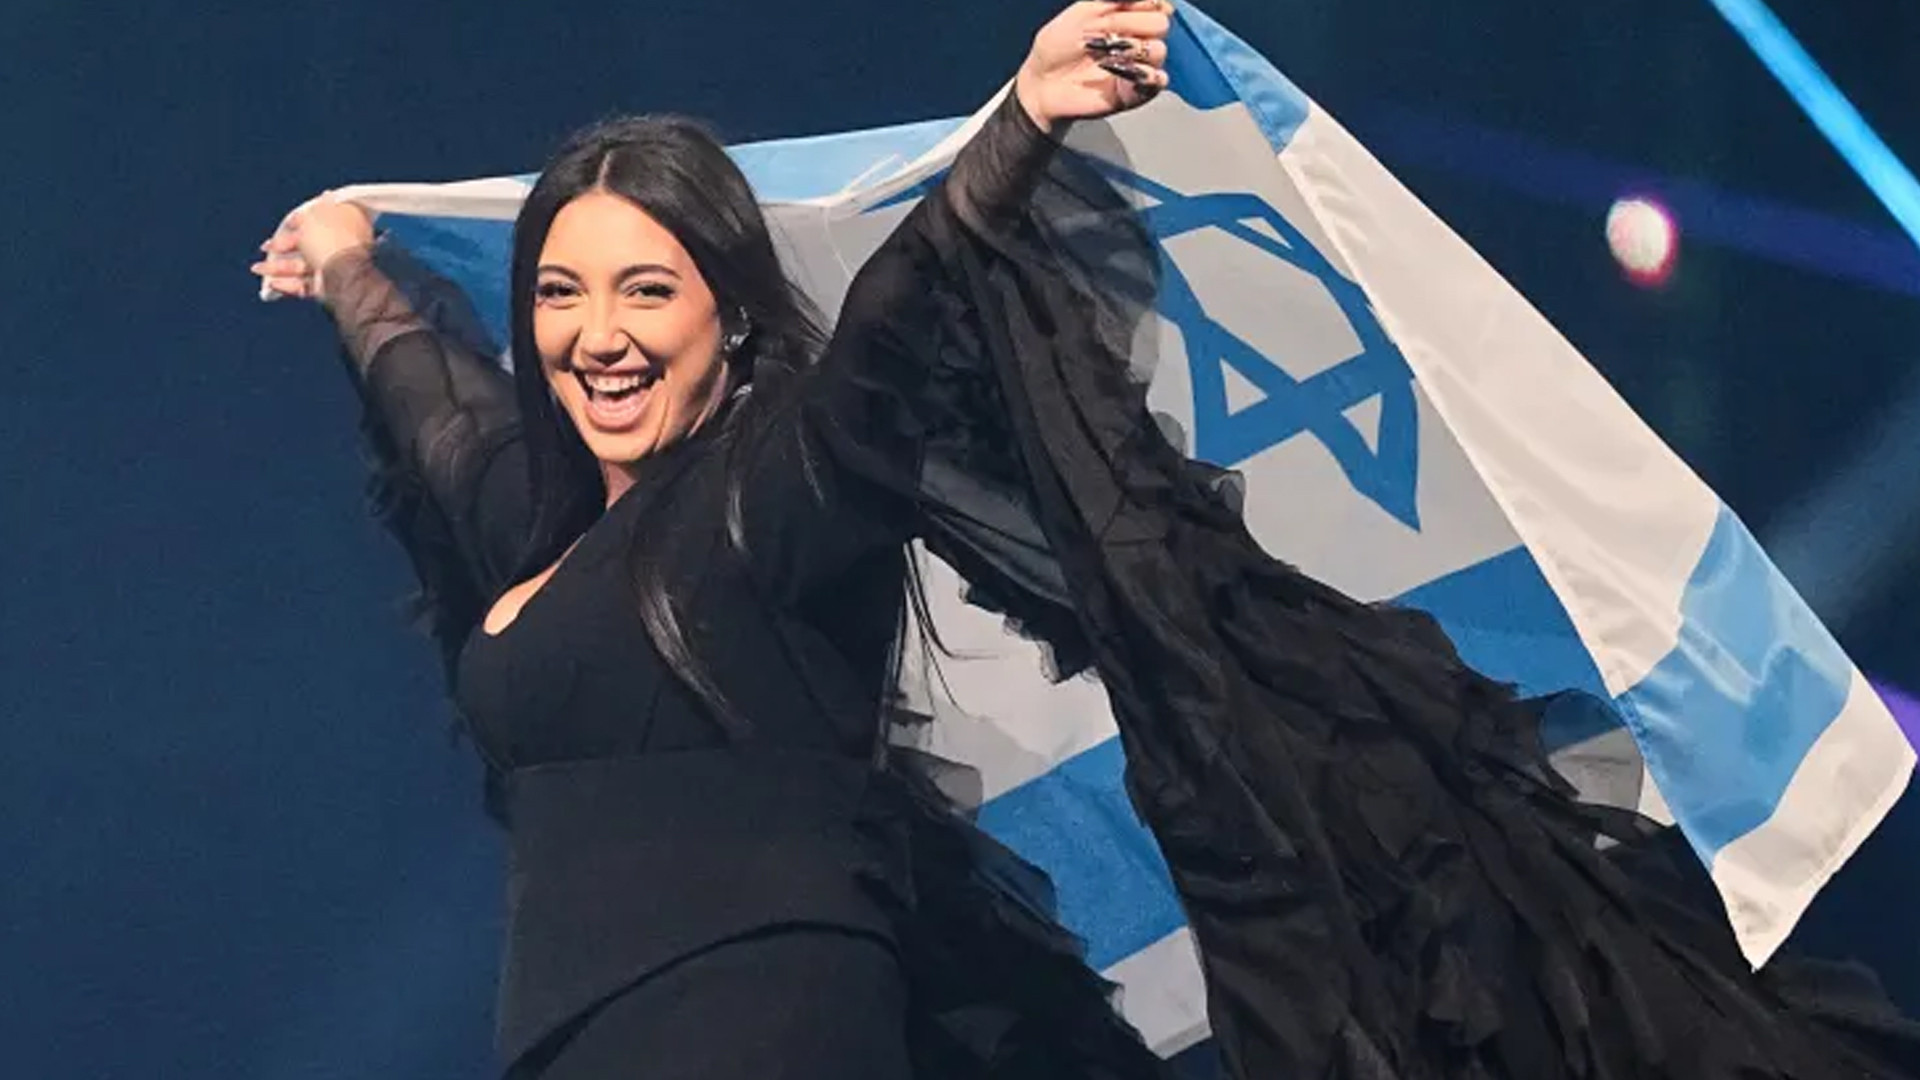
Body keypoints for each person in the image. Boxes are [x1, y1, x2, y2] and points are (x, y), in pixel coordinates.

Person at [254, 3, 1920, 1078]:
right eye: (560, 291)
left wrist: (1026, 120)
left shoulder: (777, 493)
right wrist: (347, 266)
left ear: (729, 317)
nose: (597, 332)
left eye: (646, 288)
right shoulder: (541, 541)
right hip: (565, 1032)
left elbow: (900, 319)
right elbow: (440, 415)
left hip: (761, 1017)